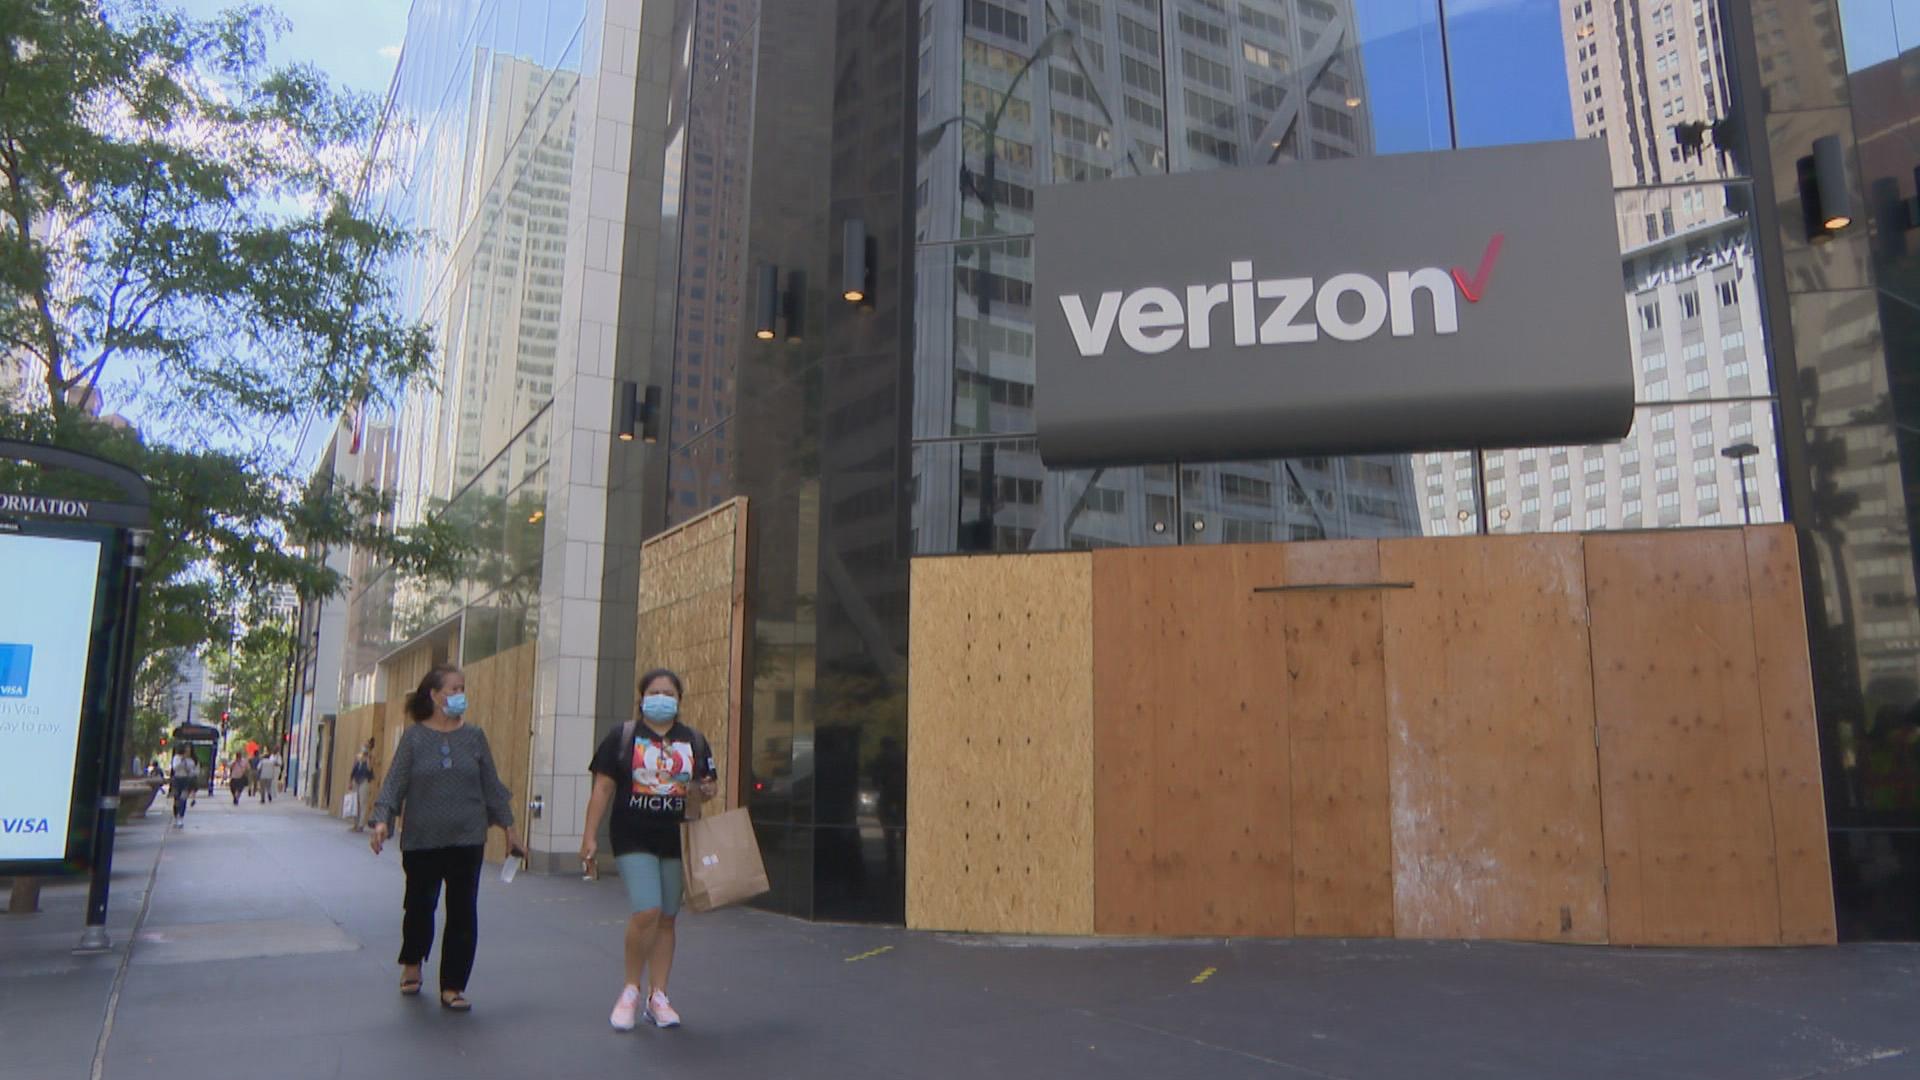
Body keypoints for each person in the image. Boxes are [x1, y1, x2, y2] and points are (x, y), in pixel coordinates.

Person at [369, 665, 523, 1012]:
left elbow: (492, 788)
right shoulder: (414, 738)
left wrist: (510, 830)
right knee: (420, 906)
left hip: (467, 838)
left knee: (463, 912)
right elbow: (395, 782)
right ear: (435, 695)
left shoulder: (475, 737)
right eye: (454, 689)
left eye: (462, 688)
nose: (460, 695)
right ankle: (412, 961)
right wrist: (382, 820)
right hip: (422, 839)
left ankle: (453, 985)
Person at [582, 669, 718, 1031]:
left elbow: (708, 786)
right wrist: (589, 836)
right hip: (632, 835)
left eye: (668, 692)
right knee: (648, 909)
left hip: (675, 838)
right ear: (641, 697)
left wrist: (706, 790)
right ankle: (630, 989)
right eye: (654, 691)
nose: (661, 697)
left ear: (679, 699)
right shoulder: (624, 737)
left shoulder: (694, 740)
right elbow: (603, 788)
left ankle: (659, 996)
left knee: (668, 917)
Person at [169, 748, 199, 828]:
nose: (187, 752)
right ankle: (176, 816)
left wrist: (187, 766)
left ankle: (181, 818)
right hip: (177, 780)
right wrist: (182, 760)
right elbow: (175, 768)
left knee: (183, 799)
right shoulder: (176, 758)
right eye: (186, 751)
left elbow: (193, 771)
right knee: (177, 800)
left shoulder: (191, 761)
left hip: (186, 780)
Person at [349, 750, 376, 832]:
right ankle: (355, 824)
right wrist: (350, 782)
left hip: (364, 782)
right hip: (356, 782)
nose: (362, 757)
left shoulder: (367, 764)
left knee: (362, 803)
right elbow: (352, 773)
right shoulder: (358, 763)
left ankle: (361, 825)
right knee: (355, 803)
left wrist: (368, 760)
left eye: (364, 755)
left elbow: (370, 772)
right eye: (361, 755)